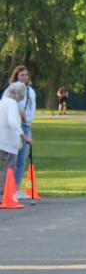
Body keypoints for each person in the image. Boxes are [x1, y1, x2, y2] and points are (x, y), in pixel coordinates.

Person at [8, 66, 36, 201]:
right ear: (16, 76)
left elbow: (32, 108)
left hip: (27, 126)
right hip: (16, 126)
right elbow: (9, 105)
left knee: (22, 159)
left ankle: (17, 188)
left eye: (26, 75)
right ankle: (9, 188)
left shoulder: (31, 91)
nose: (24, 77)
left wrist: (29, 121)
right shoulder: (12, 90)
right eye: (21, 75)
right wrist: (21, 115)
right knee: (12, 158)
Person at [0, 82, 31, 202]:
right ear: (20, 94)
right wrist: (23, 136)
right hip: (8, 143)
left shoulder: (3, 101)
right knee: (8, 169)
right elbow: (12, 122)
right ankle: (5, 194)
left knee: (4, 167)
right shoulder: (12, 104)